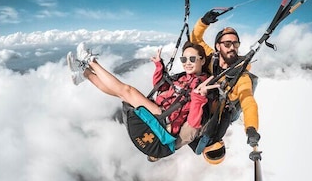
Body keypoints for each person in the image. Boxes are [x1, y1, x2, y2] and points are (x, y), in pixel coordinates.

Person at [66, 41, 218, 161]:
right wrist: (159, 66)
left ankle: (90, 62)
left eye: (192, 59)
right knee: (121, 94)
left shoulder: (203, 86)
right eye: (184, 59)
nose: (187, 63)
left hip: (165, 121)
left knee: (127, 91)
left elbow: (194, 124)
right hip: (159, 110)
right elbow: (162, 87)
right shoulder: (183, 77)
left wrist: (199, 98)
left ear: (203, 60)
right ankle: (84, 73)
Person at [189, 9, 261, 163]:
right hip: (209, 101)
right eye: (227, 43)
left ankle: (211, 149)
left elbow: (247, 99)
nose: (232, 47)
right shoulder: (212, 57)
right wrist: (203, 22)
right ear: (217, 46)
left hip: (222, 110)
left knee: (201, 134)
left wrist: (251, 128)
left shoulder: (240, 75)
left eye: (235, 43)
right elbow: (195, 41)